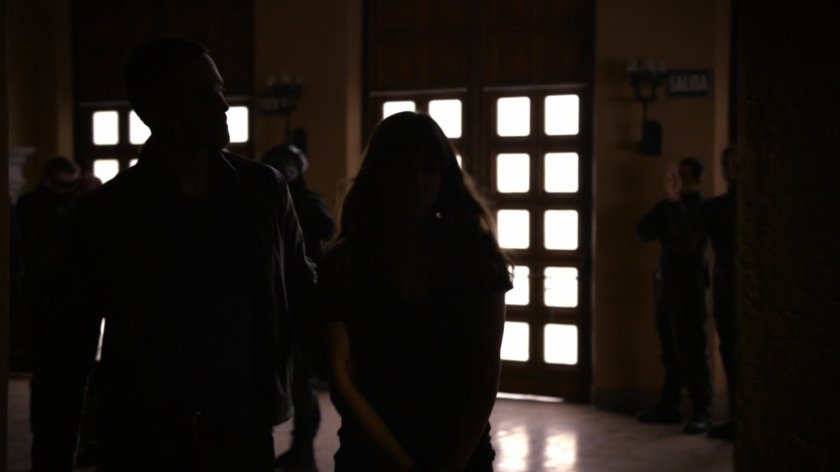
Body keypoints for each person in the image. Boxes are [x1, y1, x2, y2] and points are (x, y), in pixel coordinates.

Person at [30, 37, 315, 471]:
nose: (223, 104)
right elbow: (68, 349)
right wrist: (52, 458)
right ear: (156, 112)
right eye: (204, 94)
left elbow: (301, 290)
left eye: (220, 89)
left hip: (242, 431)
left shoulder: (264, 192)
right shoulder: (108, 213)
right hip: (143, 438)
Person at [320, 111, 511, 471]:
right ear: (379, 174)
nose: (419, 181)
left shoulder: (475, 259)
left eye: (430, 169)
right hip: (370, 452)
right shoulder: (345, 263)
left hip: (461, 452)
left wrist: (452, 464)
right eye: (404, 168)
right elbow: (341, 378)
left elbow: (486, 374)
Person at [263, 143, 336, 471]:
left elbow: (323, 234)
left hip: (303, 304)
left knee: (301, 383)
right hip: (281, 304)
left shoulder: (305, 202)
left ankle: (303, 449)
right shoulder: (271, 199)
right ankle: (300, 449)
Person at [636, 157, 713, 435]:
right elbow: (643, 231)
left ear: (697, 181)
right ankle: (669, 406)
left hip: (690, 290)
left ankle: (703, 409)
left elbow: (686, 241)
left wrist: (674, 203)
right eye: (675, 176)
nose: (678, 181)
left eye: (684, 176)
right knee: (670, 351)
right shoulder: (668, 206)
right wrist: (668, 202)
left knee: (693, 349)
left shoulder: (702, 209)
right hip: (665, 288)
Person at [14, 156, 82, 373]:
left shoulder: (75, 204)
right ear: (47, 181)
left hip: (69, 286)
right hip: (40, 286)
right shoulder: (29, 206)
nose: (67, 190)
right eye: (64, 185)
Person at [703, 147, 738, 441]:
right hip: (727, 286)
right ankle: (738, 416)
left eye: (734, 161)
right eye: (725, 161)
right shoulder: (715, 208)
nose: (729, 166)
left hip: (741, 286)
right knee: (730, 350)